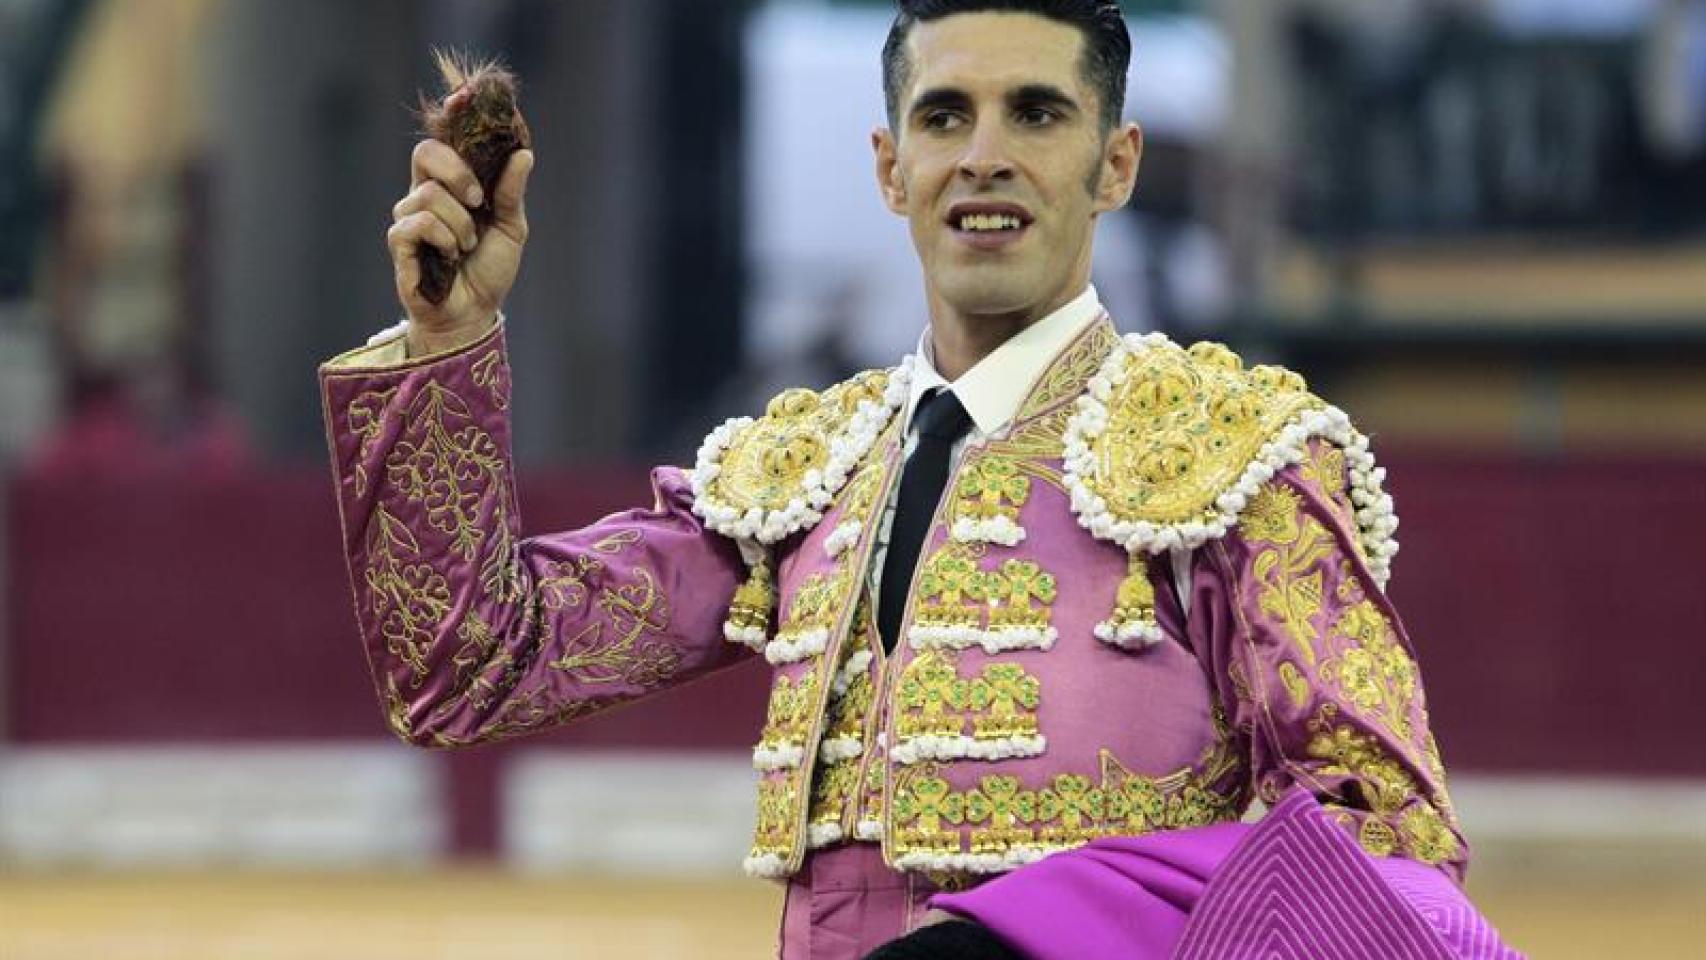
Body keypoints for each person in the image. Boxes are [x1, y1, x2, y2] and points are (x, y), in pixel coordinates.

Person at [319, 2, 1519, 957]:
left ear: (1113, 164)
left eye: (1035, 113)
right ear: (892, 169)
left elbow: (1386, 846)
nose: (984, 158)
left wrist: (1039, 936)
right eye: (946, 117)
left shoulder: (1233, 459)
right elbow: (468, 670)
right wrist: (448, 343)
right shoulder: (803, 474)